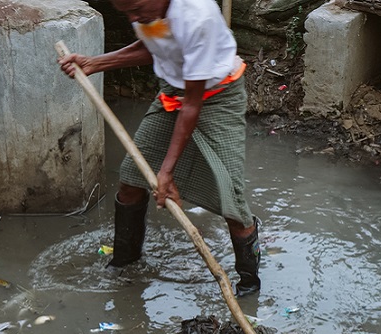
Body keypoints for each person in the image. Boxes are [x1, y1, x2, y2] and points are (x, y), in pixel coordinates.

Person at [59, 0, 261, 296]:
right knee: (131, 178)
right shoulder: (145, 9)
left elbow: (192, 105)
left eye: (137, 10)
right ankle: (125, 263)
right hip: (173, 91)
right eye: (126, 13)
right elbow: (152, 46)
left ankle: (248, 283)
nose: (134, 18)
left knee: (231, 199)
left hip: (216, 97)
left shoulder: (197, 16)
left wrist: (167, 172)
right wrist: (94, 63)